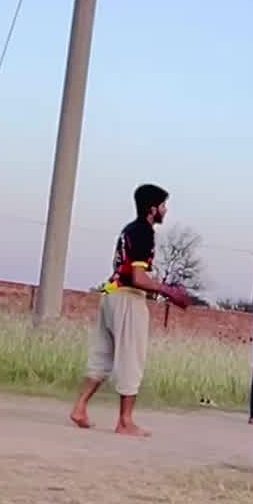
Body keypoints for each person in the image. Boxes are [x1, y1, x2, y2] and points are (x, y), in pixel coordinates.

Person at [70, 184, 192, 436]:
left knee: (102, 356)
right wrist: (169, 291)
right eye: (163, 205)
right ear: (152, 209)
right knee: (131, 359)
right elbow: (138, 277)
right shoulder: (144, 232)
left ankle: (80, 407)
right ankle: (125, 422)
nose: (165, 210)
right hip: (127, 298)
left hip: (110, 295)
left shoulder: (128, 230)